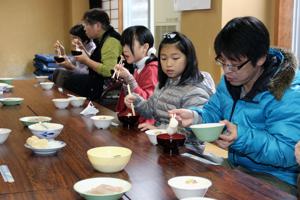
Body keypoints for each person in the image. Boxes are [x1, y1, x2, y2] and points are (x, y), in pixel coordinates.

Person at [170, 16, 300, 193]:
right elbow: (212, 113)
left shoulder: (287, 92)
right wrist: (195, 117)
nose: (227, 71)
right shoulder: (231, 81)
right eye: (223, 62)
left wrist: (241, 138)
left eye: (235, 65)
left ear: (260, 58)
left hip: (276, 177)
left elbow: (289, 153)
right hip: (236, 165)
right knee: (184, 181)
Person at [124, 31, 215, 152]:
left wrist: (159, 130)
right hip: (163, 145)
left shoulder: (195, 90)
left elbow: (192, 131)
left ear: (188, 58)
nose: (168, 64)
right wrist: (136, 101)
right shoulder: (165, 83)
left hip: (186, 151)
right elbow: (150, 110)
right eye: (163, 58)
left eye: (175, 58)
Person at [64, 8, 122, 100]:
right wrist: (84, 50)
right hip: (98, 79)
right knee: (66, 76)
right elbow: (98, 60)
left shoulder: (111, 41)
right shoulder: (103, 38)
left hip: (107, 85)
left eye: (86, 24)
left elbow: (109, 71)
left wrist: (86, 60)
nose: (84, 28)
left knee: (69, 79)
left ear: (97, 26)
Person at [114, 25, 158, 126]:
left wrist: (129, 79)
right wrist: (124, 80)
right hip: (136, 121)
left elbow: (148, 102)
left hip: (147, 125)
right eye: (123, 45)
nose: (124, 49)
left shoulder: (152, 68)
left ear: (145, 47)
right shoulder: (139, 67)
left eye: (129, 45)